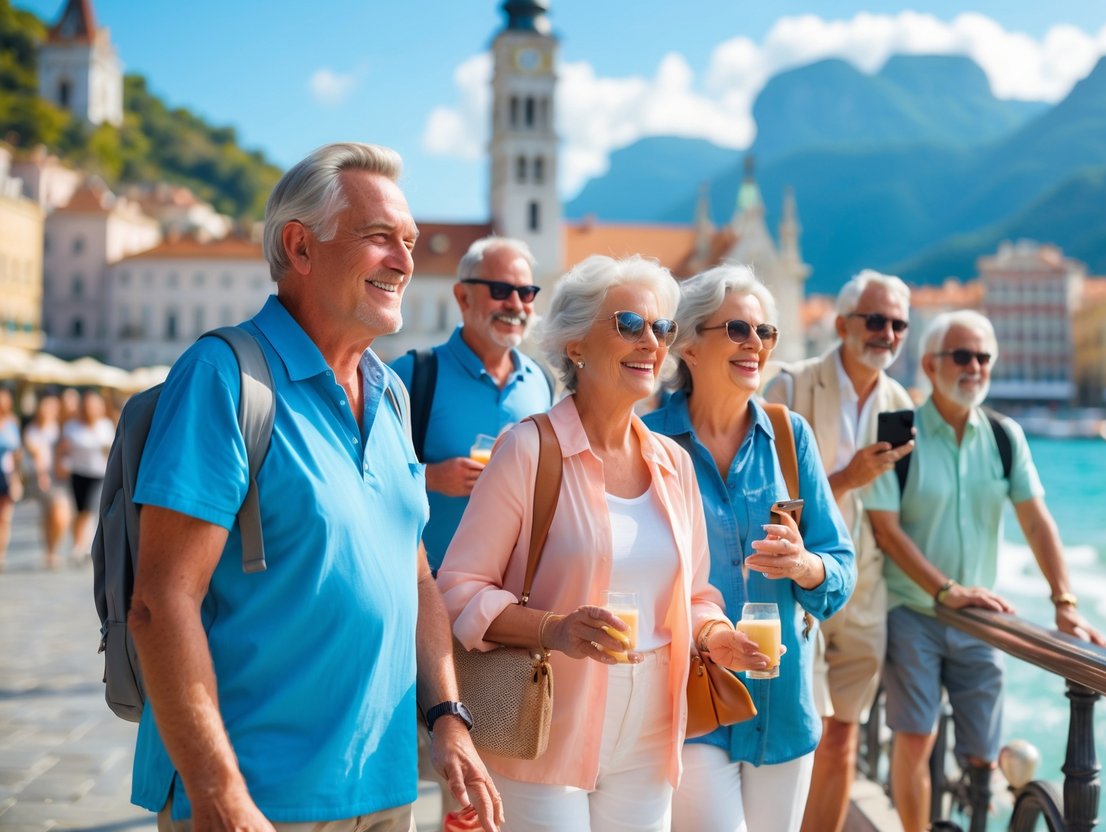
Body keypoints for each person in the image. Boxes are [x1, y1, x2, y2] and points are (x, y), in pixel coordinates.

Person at [126, 142, 501, 832]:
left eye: (410, 242)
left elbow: (414, 580)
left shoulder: (389, 396)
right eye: (379, 238)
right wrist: (220, 793)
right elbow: (160, 602)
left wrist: (448, 719)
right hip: (263, 797)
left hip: (387, 792)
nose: (404, 261)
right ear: (299, 247)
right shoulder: (225, 377)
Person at [438, 254, 769, 832]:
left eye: (662, 328)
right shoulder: (528, 449)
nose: (651, 342)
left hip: (652, 729)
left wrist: (718, 637)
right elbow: (457, 591)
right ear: (575, 345)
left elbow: (696, 593)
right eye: (629, 325)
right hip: (542, 724)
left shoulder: (673, 464)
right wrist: (555, 629)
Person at [864, 310, 1106, 832]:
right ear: (930, 365)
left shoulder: (1005, 436)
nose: (975, 367)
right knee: (915, 738)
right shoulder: (896, 431)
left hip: (981, 620)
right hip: (914, 609)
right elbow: (885, 529)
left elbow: (1038, 523)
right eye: (962, 356)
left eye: (983, 357)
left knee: (984, 753)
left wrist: (1064, 604)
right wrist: (945, 590)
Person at [644, 264, 856, 832]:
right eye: (738, 330)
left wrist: (807, 566)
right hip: (689, 699)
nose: (755, 346)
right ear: (687, 344)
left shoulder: (791, 437)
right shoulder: (646, 440)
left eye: (765, 334)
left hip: (781, 706)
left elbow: (840, 566)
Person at [764, 269, 915, 832]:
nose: (888, 333)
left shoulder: (901, 401)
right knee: (808, 735)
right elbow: (768, 503)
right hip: (800, 589)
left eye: (898, 323)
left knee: (844, 738)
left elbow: (900, 513)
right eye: (875, 320)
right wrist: (847, 478)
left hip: (867, 590)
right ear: (842, 324)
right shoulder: (789, 388)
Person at [390, 236, 554, 574]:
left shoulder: (542, 381)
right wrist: (429, 477)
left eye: (526, 293)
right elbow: (362, 477)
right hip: (429, 589)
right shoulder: (410, 375)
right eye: (499, 290)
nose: (515, 304)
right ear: (463, 297)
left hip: (513, 595)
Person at [56, 389, 115, 565]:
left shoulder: (106, 425)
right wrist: (61, 463)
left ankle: (85, 545)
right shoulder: (72, 426)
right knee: (80, 510)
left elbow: (111, 450)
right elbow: (63, 450)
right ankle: (78, 543)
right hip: (78, 473)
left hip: (100, 474)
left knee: (91, 508)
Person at [23, 393, 71, 569]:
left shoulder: (60, 427)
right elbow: (35, 455)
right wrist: (41, 474)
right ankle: (50, 550)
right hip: (41, 478)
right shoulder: (32, 429)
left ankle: (52, 548)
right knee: (52, 514)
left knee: (57, 515)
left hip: (58, 476)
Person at [0, 387, 22, 573]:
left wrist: (16, 478)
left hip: (6, 475)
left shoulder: (12, 423)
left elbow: (16, 454)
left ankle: (1, 554)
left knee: (4, 517)